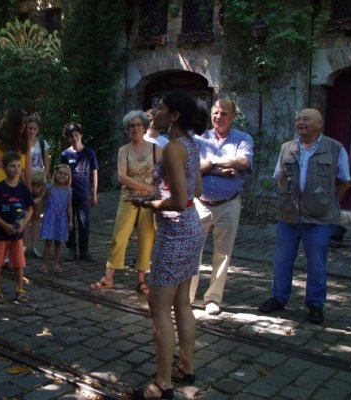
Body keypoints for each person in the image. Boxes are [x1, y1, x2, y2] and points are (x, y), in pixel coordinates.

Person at [132, 89, 207, 399]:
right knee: (182, 303)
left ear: (174, 116)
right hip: (191, 227)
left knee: (159, 308)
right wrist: (157, 196)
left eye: (161, 108)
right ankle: (186, 367)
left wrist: (150, 204)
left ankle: (162, 384)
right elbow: (196, 187)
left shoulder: (174, 148)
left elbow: (176, 200)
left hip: (175, 232)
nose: (155, 112)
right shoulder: (190, 144)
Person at [258, 108, 350, 325]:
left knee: (316, 263)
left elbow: (344, 182)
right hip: (288, 216)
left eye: (306, 119)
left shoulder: (335, 149)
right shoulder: (287, 148)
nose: (301, 122)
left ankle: (315, 304)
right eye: (299, 119)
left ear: (320, 123)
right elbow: (279, 178)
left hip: (320, 219)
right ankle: (278, 298)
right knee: (281, 260)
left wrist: (326, 202)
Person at [190, 99, 254, 316]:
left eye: (224, 113)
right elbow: (191, 169)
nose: (219, 117)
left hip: (229, 205)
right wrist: (220, 165)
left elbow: (243, 163)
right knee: (192, 251)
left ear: (233, 116)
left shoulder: (243, 139)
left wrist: (209, 165)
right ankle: (187, 296)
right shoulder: (199, 139)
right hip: (200, 204)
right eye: (216, 113)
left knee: (223, 254)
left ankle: (213, 299)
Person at [91, 110, 162, 294]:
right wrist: (147, 188)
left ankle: (141, 280)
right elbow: (122, 177)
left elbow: (162, 175)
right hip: (128, 199)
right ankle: (108, 278)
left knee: (147, 238)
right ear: (127, 129)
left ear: (145, 127)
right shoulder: (124, 150)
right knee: (120, 236)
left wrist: (154, 192)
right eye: (131, 126)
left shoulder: (156, 149)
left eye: (138, 125)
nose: (135, 128)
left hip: (148, 202)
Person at [0, 108, 32, 260]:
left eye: (25, 123)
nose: (24, 126)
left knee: (15, 217)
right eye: (21, 123)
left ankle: (12, 257)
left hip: (16, 183)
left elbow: (27, 169)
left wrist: (28, 190)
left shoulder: (25, 142)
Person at [0, 151, 34, 304]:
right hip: (0, 233)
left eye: (19, 166)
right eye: (12, 166)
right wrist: (4, 225)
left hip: (17, 234)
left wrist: (23, 224)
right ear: (4, 169)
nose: (16, 169)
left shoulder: (23, 189)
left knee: (19, 263)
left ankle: (19, 288)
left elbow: (30, 208)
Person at [60, 122, 98, 262]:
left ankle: (84, 251)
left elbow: (94, 174)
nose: (74, 138)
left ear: (81, 135)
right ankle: (71, 250)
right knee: (69, 222)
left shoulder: (89, 153)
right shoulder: (65, 154)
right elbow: (61, 174)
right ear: (68, 138)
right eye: (71, 136)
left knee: (84, 222)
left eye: (76, 134)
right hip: (68, 194)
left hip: (84, 194)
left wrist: (94, 194)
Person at [39, 163, 72, 274]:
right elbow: (41, 199)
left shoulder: (68, 191)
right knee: (48, 242)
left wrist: (71, 221)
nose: (62, 175)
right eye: (60, 173)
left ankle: (56, 264)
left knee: (58, 243)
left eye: (65, 174)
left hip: (61, 219)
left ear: (68, 177)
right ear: (55, 174)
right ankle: (44, 264)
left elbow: (69, 206)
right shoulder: (49, 187)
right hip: (50, 218)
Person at [25, 115, 50, 256]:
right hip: (25, 179)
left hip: (39, 179)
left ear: (38, 129)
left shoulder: (42, 143)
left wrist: (43, 179)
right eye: (30, 128)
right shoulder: (21, 142)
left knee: (36, 215)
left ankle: (33, 246)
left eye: (34, 128)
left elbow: (46, 163)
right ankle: (22, 247)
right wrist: (26, 183)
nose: (32, 131)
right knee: (24, 214)